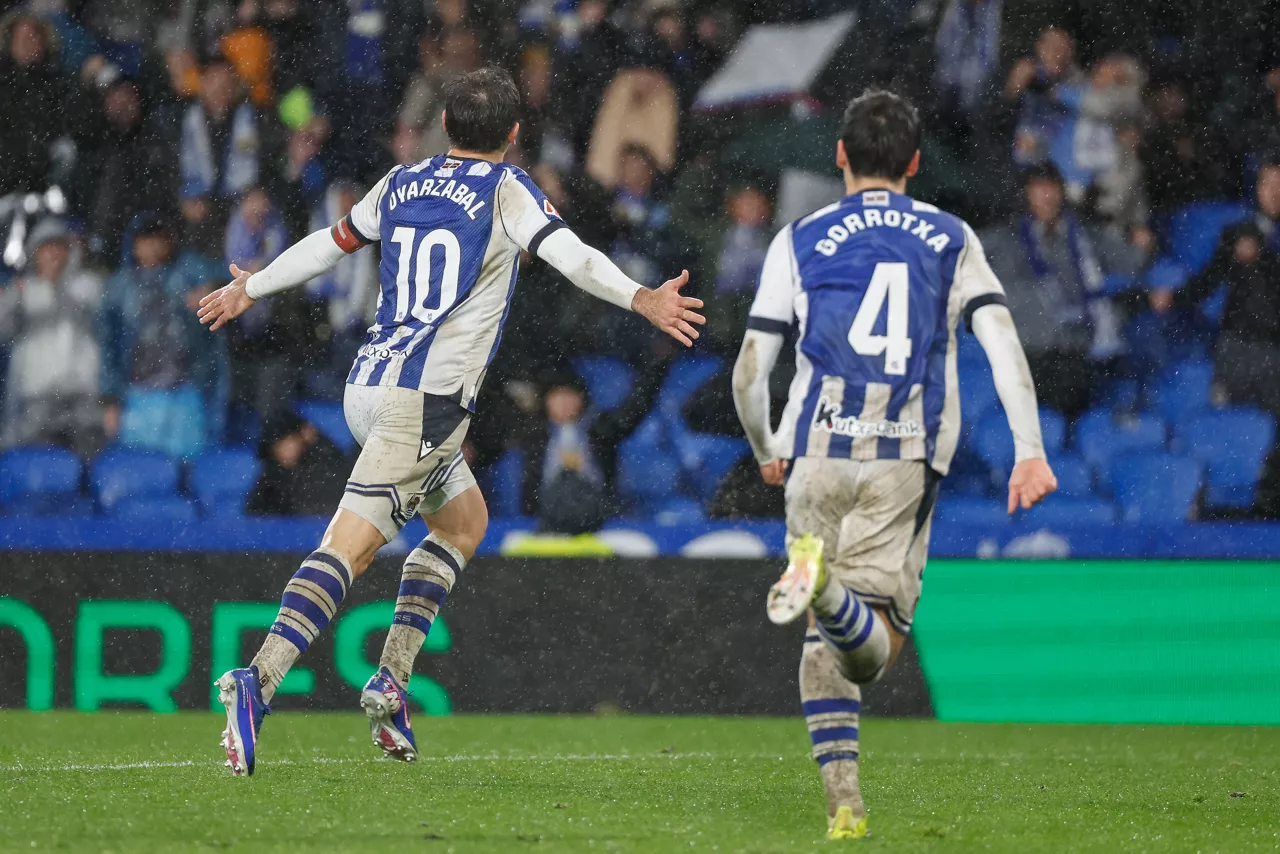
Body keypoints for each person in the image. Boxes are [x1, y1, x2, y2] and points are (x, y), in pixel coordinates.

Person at [197, 66, 704, 776]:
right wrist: (641, 297)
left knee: (463, 522)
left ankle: (390, 682)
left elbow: (328, 243)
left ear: (444, 127)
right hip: (424, 402)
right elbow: (573, 257)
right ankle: (259, 681)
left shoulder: (401, 180)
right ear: (515, 135)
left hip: (369, 383)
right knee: (351, 547)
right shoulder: (508, 189)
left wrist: (250, 284)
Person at [730, 90, 1056, 840]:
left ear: (839, 155)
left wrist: (766, 448)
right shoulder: (949, 236)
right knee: (872, 653)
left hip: (814, 451)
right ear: (914, 162)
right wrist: (1029, 451)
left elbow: (751, 366)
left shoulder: (802, 236)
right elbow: (1002, 344)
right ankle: (828, 588)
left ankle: (845, 801)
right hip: (902, 458)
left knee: (827, 640)